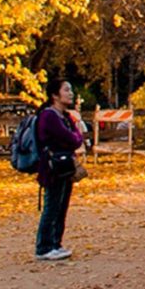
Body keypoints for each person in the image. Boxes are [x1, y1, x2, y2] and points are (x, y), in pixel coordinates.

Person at [34, 81, 87, 261]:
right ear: (55, 95)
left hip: (64, 166)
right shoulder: (49, 116)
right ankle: (44, 246)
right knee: (52, 205)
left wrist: (74, 136)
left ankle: (56, 243)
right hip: (52, 166)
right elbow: (72, 138)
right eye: (66, 90)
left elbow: (77, 138)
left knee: (62, 205)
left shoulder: (64, 115)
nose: (70, 93)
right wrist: (74, 137)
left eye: (71, 89)